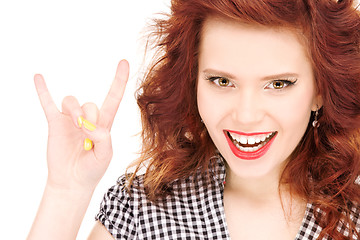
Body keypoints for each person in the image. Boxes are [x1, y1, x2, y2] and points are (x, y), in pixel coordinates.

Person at [27, 0, 360, 239]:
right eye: (222, 81)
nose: (245, 115)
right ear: (193, 81)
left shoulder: (354, 221)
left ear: (320, 89)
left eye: (278, 84)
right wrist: (66, 191)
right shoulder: (143, 210)